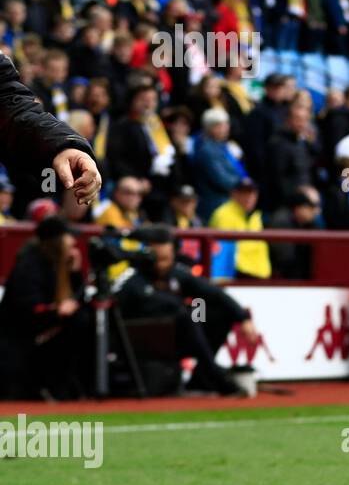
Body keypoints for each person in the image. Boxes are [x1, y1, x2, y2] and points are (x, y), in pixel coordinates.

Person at [115, 227, 254, 396]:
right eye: (156, 259)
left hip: (178, 336)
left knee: (213, 311)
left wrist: (243, 318)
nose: (161, 264)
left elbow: (214, 293)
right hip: (140, 341)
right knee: (184, 314)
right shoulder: (132, 278)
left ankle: (201, 378)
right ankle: (216, 375)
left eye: (165, 259)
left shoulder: (177, 273)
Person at [0, 216, 94, 399]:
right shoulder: (29, 266)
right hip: (21, 337)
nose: (73, 243)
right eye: (68, 237)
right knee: (77, 323)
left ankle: (69, 387)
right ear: (56, 241)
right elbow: (27, 309)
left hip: (46, 329)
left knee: (83, 320)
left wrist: (75, 274)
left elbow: (77, 301)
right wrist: (55, 310)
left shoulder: (60, 265)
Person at [0, 47, 101, 207]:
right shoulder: (35, 90)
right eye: (53, 70)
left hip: (47, 150)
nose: (57, 74)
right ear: (43, 69)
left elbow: (15, 111)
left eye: (61, 70)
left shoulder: (64, 92)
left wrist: (63, 145)